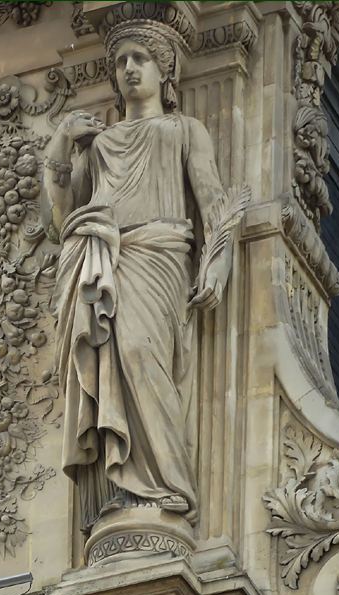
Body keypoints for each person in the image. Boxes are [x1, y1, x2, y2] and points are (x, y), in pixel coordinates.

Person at [42, 19, 243, 533]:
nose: (129, 69)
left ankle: (167, 487)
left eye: (140, 59)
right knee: (117, 362)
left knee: (142, 357)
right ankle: (130, 486)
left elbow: (213, 201)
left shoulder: (183, 131)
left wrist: (217, 260)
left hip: (161, 255)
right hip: (109, 258)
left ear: (166, 70)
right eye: (121, 61)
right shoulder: (102, 144)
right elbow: (62, 218)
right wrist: (61, 147)